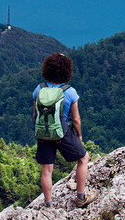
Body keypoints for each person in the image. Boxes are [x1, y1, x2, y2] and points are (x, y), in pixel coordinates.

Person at [33, 52, 97, 208]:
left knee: (46, 170)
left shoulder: (39, 89)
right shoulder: (69, 92)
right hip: (62, 132)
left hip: (43, 131)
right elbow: (76, 119)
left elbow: (35, 115)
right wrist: (79, 135)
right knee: (83, 158)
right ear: (66, 71)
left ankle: (48, 205)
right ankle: (81, 197)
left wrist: (42, 131)